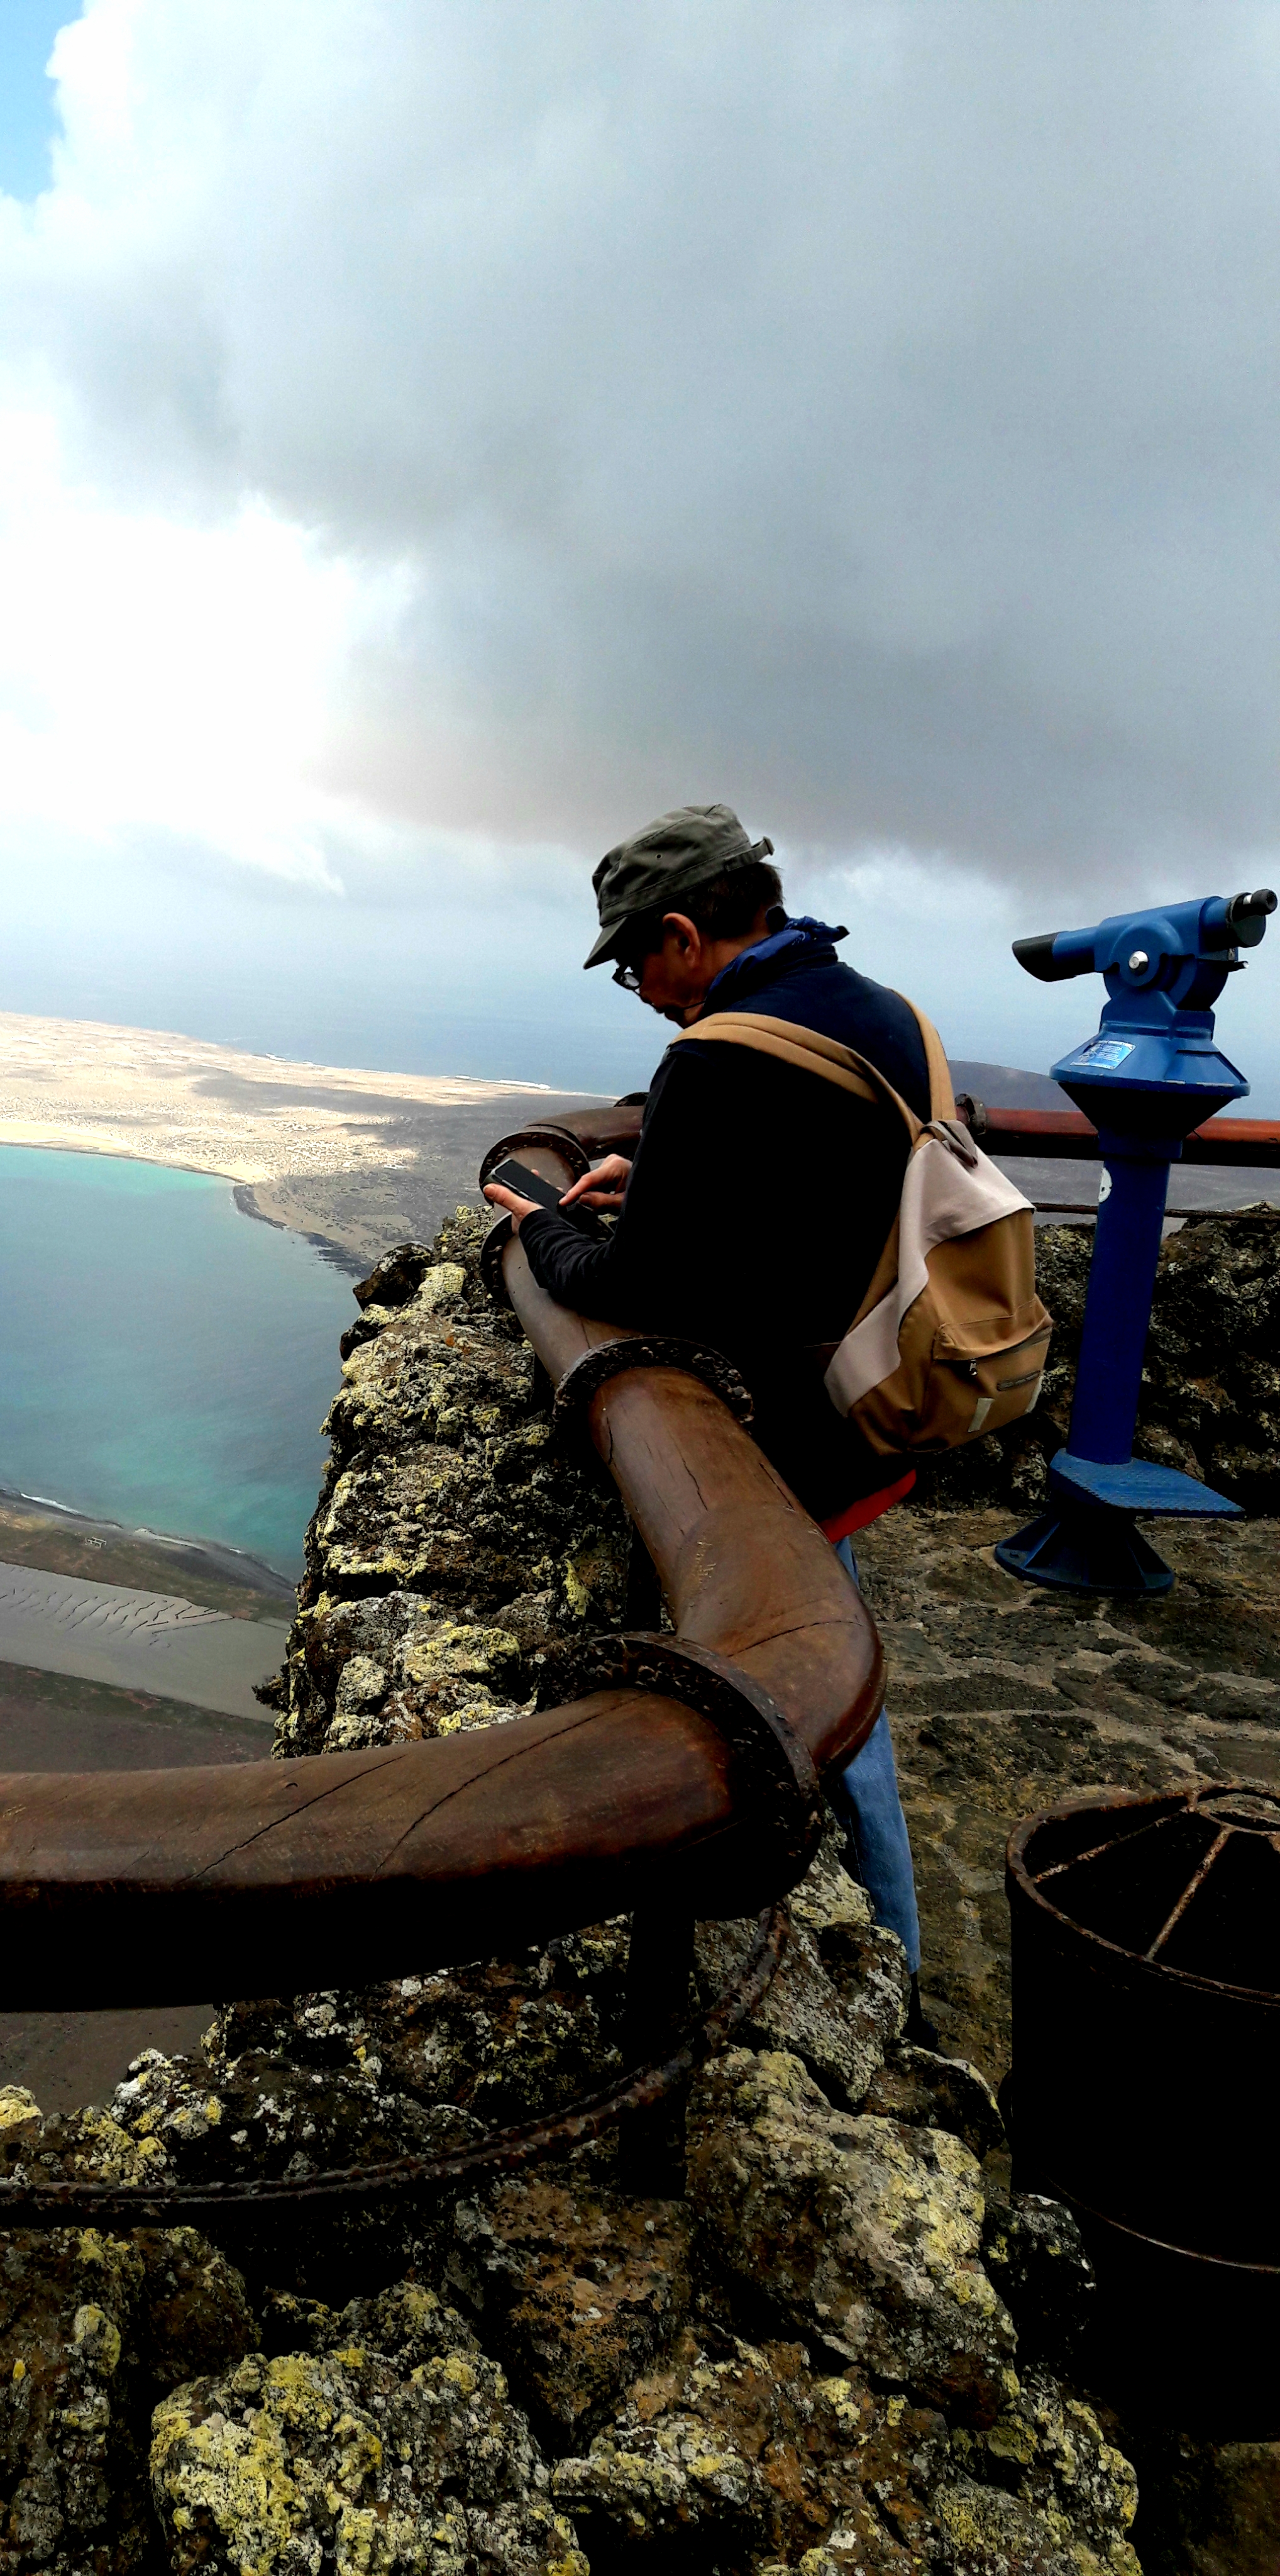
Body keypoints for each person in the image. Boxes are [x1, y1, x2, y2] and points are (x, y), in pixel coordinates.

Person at [483, 802, 932, 2031]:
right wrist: (666, 1176)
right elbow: (808, 1192)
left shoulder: (723, 1053)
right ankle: (895, 1937)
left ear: (684, 933)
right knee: (842, 1656)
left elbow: (628, 1287)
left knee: (824, 1686)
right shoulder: (876, 1008)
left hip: (784, 1432)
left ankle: (890, 1961)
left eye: (636, 959)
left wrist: (543, 1221)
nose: (636, 986)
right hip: (878, 1391)